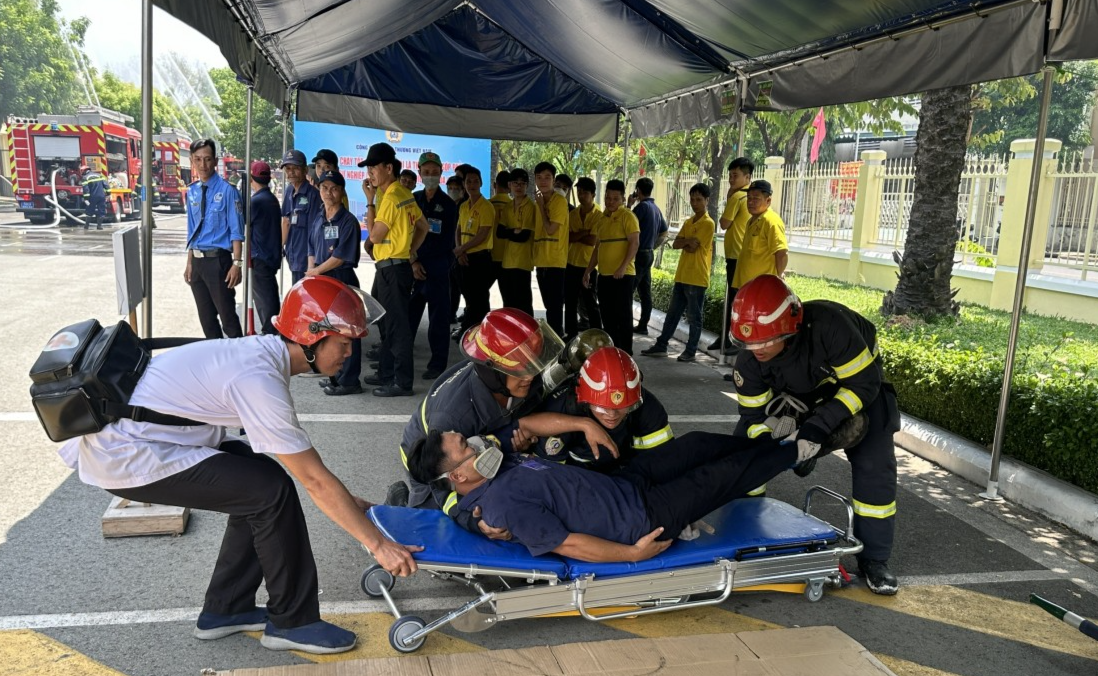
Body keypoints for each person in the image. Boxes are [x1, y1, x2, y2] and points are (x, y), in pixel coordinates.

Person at [57, 277, 421, 654]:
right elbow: (313, 479)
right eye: (344, 343)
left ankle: (226, 608)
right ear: (312, 335)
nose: (349, 354)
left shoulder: (261, 353)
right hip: (126, 455)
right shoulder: (258, 379)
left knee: (262, 483)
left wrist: (345, 501)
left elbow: (311, 472)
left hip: (152, 440)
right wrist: (378, 545)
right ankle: (293, 622)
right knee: (267, 491)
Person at [407, 421, 819, 562]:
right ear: (458, 477)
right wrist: (632, 554)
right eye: (467, 447)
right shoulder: (500, 507)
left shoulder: (491, 471)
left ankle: (772, 443)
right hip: (640, 519)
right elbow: (567, 546)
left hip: (624, 484)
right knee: (722, 476)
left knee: (694, 445)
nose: (477, 443)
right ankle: (797, 451)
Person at [729, 274, 901, 595]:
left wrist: (817, 430)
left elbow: (863, 385)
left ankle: (874, 561)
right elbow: (752, 418)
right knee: (744, 451)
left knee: (874, 464)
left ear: (789, 328)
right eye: (748, 343)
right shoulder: (750, 360)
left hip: (860, 387)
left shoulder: (832, 329)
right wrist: (772, 443)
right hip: (800, 394)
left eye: (763, 342)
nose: (756, 350)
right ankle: (742, 532)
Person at [396, 308, 564, 529]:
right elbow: (442, 485)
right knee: (438, 528)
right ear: (493, 372)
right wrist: (474, 522)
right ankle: (400, 504)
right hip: (431, 465)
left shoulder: (513, 377)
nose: (531, 377)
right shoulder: (453, 420)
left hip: (475, 449)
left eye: (533, 366)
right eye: (522, 371)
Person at [514, 347, 673, 472]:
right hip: (574, 475)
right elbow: (548, 477)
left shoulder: (648, 408)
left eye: (622, 406)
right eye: (602, 407)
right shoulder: (559, 411)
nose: (611, 414)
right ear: (583, 399)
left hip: (627, 473)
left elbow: (661, 463)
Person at [361, 142, 429, 397]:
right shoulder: (402, 193)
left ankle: (402, 381)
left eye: (373, 167)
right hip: (391, 267)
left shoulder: (390, 197)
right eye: (367, 168)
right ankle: (387, 372)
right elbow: (423, 226)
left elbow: (376, 236)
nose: (370, 173)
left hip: (392, 268)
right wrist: (410, 251)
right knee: (384, 319)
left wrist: (369, 203)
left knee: (396, 325)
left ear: (388, 168)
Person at [305, 171, 364, 396]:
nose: (328, 193)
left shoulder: (348, 221)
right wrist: (313, 270)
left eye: (334, 188)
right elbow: (311, 247)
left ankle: (350, 380)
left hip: (341, 279)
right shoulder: (319, 216)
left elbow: (340, 256)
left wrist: (315, 272)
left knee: (347, 332)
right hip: (322, 280)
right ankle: (336, 375)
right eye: (324, 188)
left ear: (342, 192)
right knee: (329, 331)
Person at [642, 183, 715, 362]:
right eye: (692, 199)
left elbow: (692, 247)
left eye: (699, 200)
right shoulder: (689, 222)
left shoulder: (708, 223)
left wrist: (686, 241)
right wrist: (687, 241)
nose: (694, 203)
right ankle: (661, 345)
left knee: (694, 317)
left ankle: (690, 351)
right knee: (673, 313)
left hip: (697, 277)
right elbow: (676, 244)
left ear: (707, 201)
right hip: (682, 275)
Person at [184, 139, 244, 340]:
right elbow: (192, 230)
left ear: (215, 160)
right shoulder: (192, 191)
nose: (203, 165)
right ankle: (218, 364)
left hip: (219, 261)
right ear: (192, 160)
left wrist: (237, 263)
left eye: (208, 159)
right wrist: (190, 263)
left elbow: (236, 230)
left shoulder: (228, 191)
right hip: (198, 263)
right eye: (198, 160)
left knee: (228, 319)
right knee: (207, 321)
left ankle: (240, 362)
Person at [408, 152, 458, 381]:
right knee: (408, 318)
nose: (430, 176)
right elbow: (406, 234)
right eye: (426, 172)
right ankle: (402, 362)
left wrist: (425, 261)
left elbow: (446, 241)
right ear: (419, 173)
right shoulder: (412, 200)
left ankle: (437, 364)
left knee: (438, 319)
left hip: (437, 268)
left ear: (440, 173)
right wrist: (413, 261)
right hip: (413, 267)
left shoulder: (448, 205)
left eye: (434, 172)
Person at [583, 179, 640, 355]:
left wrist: (622, 267)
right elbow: (597, 249)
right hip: (604, 276)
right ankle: (612, 353)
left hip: (623, 276)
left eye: (615, 198)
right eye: (608, 198)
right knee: (607, 316)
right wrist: (588, 271)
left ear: (623, 199)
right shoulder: (602, 219)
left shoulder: (628, 217)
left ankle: (626, 354)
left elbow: (634, 243)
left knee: (623, 317)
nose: (610, 202)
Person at [709, 157, 753, 353]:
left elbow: (724, 223)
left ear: (747, 177)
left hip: (736, 256)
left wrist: (729, 197)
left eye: (735, 175)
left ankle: (733, 340)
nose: (731, 179)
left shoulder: (737, 198)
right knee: (735, 299)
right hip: (741, 255)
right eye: (730, 176)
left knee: (736, 300)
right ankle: (727, 336)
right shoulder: (749, 197)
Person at [454, 166, 496, 333]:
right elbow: (458, 229)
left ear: (481, 183)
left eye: (475, 181)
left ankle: (480, 333)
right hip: (464, 257)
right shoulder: (464, 206)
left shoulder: (486, 206)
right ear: (464, 184)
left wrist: (462, 249)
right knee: (469, 297)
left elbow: (483, 234)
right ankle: (468, 330)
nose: (472, 184)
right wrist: (460, 250)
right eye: (468, 181)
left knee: (480, 299)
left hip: (480, 258)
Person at [531, 162, 570, 336]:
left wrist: (540, 206)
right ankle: (553, 341)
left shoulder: (559, 201)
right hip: (541, 261)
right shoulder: (537, 202)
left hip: (555, 262)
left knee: (554, 308)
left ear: (554, 180)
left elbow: (551, 229)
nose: (543, 181)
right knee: (548, 306)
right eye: (539, 177)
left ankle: (558, 344)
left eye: (547, 177)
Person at [731, 180, 788, 290]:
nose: (750, 202)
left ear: (768, 201)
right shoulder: (751, 220)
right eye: (749, 198)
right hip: (745, 285)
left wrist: (779, 276)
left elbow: (781, 253)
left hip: (761, 289)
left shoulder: (771, 221)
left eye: (756, 198)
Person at [564, 177, 602, 339]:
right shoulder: (572, 214)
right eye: (579, 192)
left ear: (593, 194)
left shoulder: (598, 216)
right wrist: (585, 232)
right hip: (571, 263)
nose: (581, 195)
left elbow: (592, 240)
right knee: (570, 303)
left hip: (589, 266)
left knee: (590, 303)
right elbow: (567, 237)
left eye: (585, 192)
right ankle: (571, 334)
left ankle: (597, 335)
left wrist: (579, 234)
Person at [629, 177, 668, 336]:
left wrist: (628, 205)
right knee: (645, 291)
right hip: (648, 253)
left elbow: (627, 226)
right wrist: (653, 245)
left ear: (637, 190)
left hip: (639, 254)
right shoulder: (655, 208)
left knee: (628, 289)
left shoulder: (640, 208)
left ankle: (624, 321)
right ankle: (643, 324)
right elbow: (664, 232)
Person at [248, 161, 283, 335]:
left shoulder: (256, 202)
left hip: (260, 257)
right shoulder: (271, 199)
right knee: (269, 295)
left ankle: (271, 334)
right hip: (271, 256)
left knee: (265, 301)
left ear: (252, 179)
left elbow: (242, 225)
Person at [280, 149, 324, 285]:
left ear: (305, 170)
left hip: (307, 260)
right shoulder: (289, 191)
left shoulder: (313, 195)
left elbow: (314, 232)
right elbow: (286, 221)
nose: (291, 172)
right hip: (293, 257)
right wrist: (280, 246)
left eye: (295, 168)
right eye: (288, 168)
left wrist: (312, 263)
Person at [446, 172, 468, 326]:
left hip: (461, 251)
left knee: (461, 286)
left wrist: (460, 250)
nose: (453, 191)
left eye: (456, 188)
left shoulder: (466, 205)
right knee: (449, 285)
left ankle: (460, 314)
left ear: (463, 190)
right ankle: (449, 313)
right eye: (450, 188)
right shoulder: (445, 204)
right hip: (447, 251)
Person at [488, 170, 512, 290]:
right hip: (508, 258)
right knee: (509, 299)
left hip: (488, 256)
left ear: (494, 185)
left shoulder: (486, 205)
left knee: (480, 295)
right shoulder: (514, 206)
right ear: (510, 186)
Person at [81, 164, 107, 231]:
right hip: (101, 196)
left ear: (84, 171)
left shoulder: (85, 178)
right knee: (101, 210)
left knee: (89, 211)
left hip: (92, 197)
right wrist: (108, 194)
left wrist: (86, 198)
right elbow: (106, 185)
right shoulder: (99, 175)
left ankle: (86, 226)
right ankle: (99, 226)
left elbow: (86, 189)